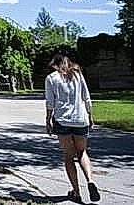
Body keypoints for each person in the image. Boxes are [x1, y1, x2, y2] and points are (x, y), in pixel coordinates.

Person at [45, 54, 101, 203]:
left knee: (69, 156)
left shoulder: (51, 78)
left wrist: (48, 120)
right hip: (80, 119)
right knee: (82, 152)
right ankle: (90, 181)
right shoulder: (78, 75)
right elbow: (86, 97)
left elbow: (50, 102)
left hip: (62, 121)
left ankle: (76, 192)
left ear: (56, 65)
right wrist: (90, 115)